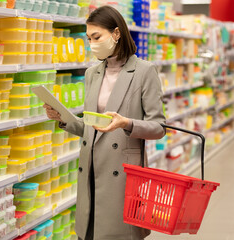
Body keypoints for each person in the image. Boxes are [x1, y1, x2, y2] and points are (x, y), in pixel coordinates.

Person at [44, 6, 166, 240]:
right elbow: (92, 128)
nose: (92, 44)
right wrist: (64, 119)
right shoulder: (92, 73)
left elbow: (159, 127)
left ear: (117, 34)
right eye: (89, 38)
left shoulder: (143, 72)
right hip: (90, 170)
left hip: (121, 176)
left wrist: (126, 123)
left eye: (97, 37)